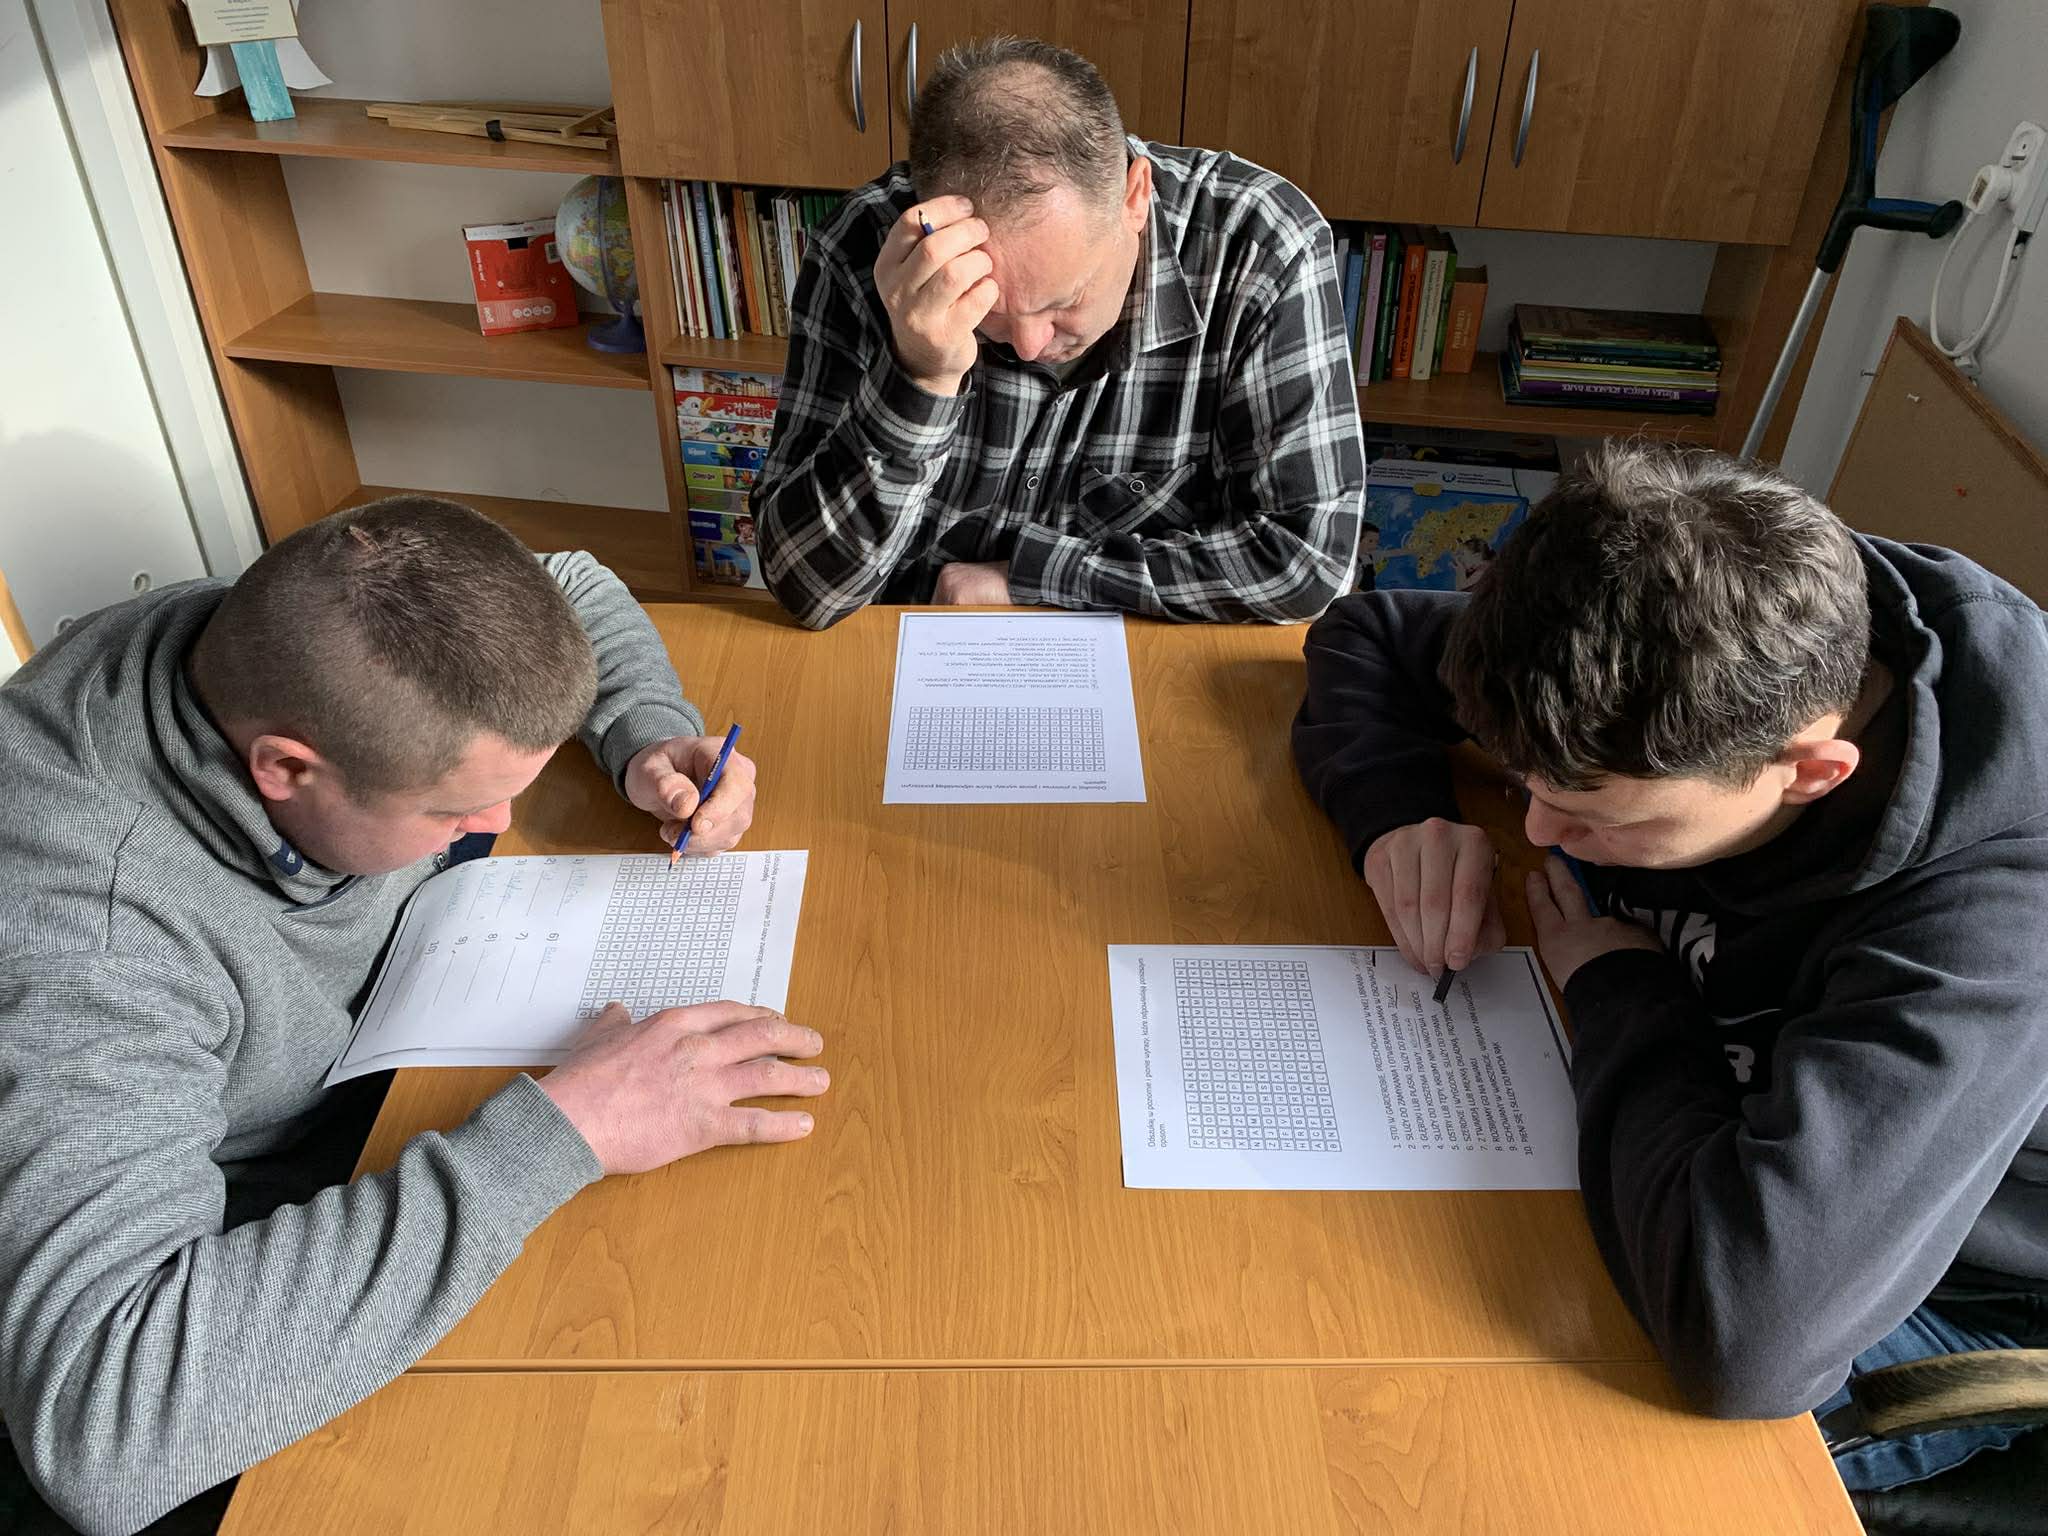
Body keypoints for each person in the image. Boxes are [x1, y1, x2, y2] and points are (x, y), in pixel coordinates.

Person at [0, 498, 830, 1535]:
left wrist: (647, 738)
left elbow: (571, 583)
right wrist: (566, 1131)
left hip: (393, 1041)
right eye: (454, 811)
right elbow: (103, 1433)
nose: (498, 826)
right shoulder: (90, 941)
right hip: (239, 1202)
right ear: (285, 768)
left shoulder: (297, 632)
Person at [1291, 442, 2048, 1492]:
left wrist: (1622, 994)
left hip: (1947, 1282)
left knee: (1487, 1463)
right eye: (1525, 785)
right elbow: (1365, 633)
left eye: (1592, 814)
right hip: (1722, 1145)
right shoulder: (1692, 624)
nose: (1538, 829)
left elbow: (1746, 1338)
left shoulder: (1991, 920)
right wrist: (1394, 816)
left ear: (1809, 774)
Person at [755, 36, 1365, 629]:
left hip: (1147, 652)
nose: (1029, 347)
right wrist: (919, 375)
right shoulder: (866, 249)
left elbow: (1307, 561)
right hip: (906, 643)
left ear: (1134, 197)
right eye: (988, 308)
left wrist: (1032, 578)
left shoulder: (1260, 245)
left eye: (1064, 300)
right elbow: (808, 589)